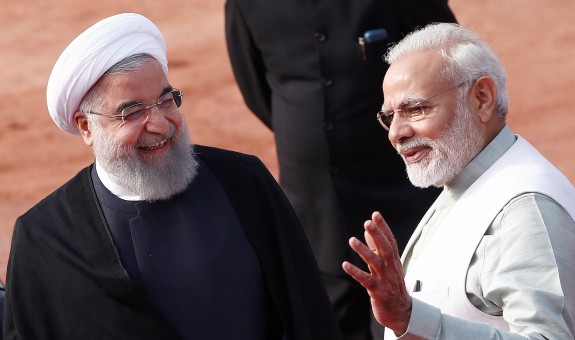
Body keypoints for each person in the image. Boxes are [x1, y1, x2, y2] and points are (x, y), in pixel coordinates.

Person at [3, 13, 341, 340]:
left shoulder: (244, 183)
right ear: (85, 127)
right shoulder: (44, 241)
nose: (162, 124)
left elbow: (307, 313)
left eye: (166, 100)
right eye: (132, 112)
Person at [342, 23, 575, 339]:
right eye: (390, 116)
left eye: (416, 109)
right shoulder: (468, 182)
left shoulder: (527, 210)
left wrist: (412, 318)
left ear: (482, 98)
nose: (397, 133)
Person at [224, 2, 456, 339]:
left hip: (405, 204)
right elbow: (257, 89)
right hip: (313, 213)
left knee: (412, 328)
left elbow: (450, 63)